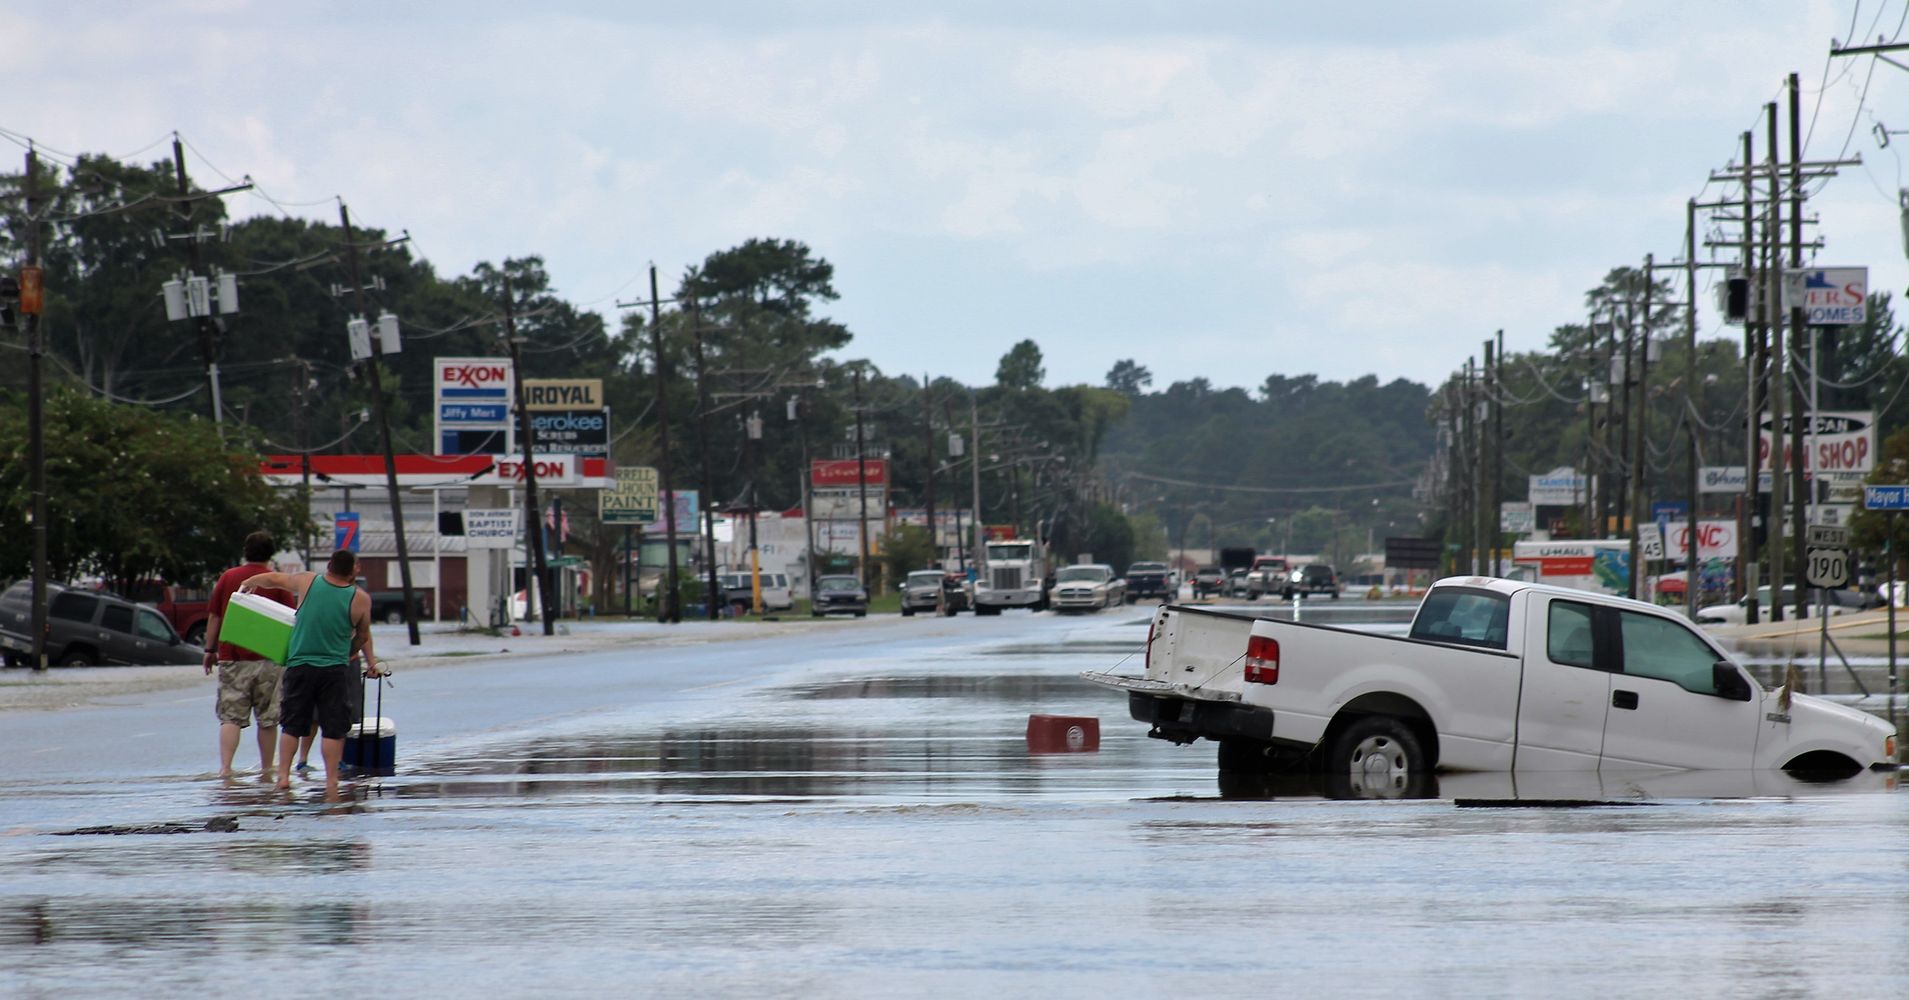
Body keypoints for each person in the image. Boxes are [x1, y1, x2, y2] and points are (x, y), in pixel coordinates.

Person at [239, 549, 385, 799]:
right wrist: (352, 653)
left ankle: (283, 777)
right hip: (335, 669)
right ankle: (331, 781)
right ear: (354, 570)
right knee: (333, 728)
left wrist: (249, 582)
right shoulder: (360, 599)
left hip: (300, 666)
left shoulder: (308, 580)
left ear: (328, 565)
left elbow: (274, 579)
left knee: (292, 725)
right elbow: (362, 635)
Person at [204, 531, 297, 780]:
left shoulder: (229, 577)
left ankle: (225, 769)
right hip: (270, 658)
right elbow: (291, 617)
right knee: (268, 719)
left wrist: (209, 650)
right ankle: (267, 770)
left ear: (246, 550)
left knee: (230, 717)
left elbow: (214, 616)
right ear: (271, 553)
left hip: (233, 657)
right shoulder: (277, 581)